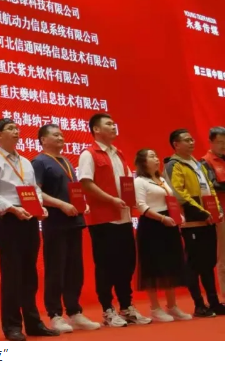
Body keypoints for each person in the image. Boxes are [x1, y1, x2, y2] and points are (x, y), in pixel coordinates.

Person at [0, 119, 59, 341]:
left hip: (30, 219)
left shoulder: (25, 161)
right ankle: (12, 325)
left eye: (17, 128)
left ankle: (33, 322)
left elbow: (34, 189)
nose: (16, 131)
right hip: (9, 219)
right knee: (12, 274)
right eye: (10, 129)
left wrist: (40, 207)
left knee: (29, 274)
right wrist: (12, 209)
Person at [78, 113, 151, 326]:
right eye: (108, 124)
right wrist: (111, 199)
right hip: (103, 219)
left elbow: (127, 182)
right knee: (106, 265)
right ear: (96, 129)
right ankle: (108, 310)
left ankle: (126, 307)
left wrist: (132, 200)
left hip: (124, 217)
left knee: (126, 264)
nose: (113, 127)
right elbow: (85, 183)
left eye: (113, 123)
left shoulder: (118, 153)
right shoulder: (89, 154)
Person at [32, 124, 100, 333]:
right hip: (55, 223)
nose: (61, 138)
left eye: (62, 134)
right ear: (43, 140)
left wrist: (82, 204)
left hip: (74, 222)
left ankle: (75, 312)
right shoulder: (39, 162)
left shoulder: (66, 161)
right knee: (56, 269)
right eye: (56, 135)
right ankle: (55, 314)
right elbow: (36, 193)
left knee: (74, 269)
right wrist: (61, 205)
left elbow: (74, 190)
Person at [165, 129, 224, 317]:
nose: (192, 142)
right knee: (194, 265)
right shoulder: (174, 165)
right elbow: (179, 194)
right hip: (192, 222)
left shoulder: (197, 163)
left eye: (192, 139)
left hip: (207, 220)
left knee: (208, 263)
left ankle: (214, 302)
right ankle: (199, 304)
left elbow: (210, 189)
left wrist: (217, 209)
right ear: (176, 144)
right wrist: (201, 212)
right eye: (186, 140)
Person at [133, 149, 192, 322]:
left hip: (169, 225)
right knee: (153, 265)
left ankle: (172, 306)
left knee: (170, 264)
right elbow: (141, 206)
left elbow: (170, 202)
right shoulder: (139, 181)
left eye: (156, 155)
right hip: (152, 226)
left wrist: (177, 217)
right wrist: (162, 218)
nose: (156, 159)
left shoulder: (162, 180)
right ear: (143, 162)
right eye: (152, 156)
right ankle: (155, 308)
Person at [201, 126, 225, 299]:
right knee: (225, 255)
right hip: (222, 213)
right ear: (211, 142)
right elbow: (212, 186)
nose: (224, 145)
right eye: (220, 142)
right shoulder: (205, 162)